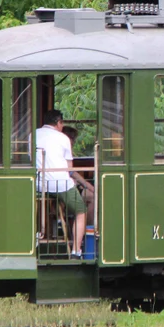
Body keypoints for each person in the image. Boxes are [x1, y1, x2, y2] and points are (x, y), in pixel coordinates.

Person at [35, 110, 86, 258]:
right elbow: (69, 169)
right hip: (60, 184)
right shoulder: (63, 138)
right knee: (80, 211)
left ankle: (39, 235)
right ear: (58, 123)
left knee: (42, 204)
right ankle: (76, 251)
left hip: (39, 185)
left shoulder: (33, 135)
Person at [62, 125, 96, 224]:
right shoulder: (62, 151)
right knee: (93, 197)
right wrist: (88, 185)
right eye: (73, 139)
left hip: (72, 185)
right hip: (67, 187)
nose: (73, 143)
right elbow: (71, 171)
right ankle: (87, 229)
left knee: (92, 195)